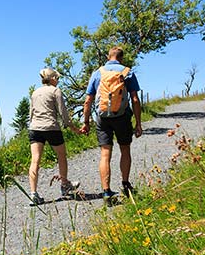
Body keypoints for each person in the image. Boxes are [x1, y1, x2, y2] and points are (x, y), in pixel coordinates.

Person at [80, 46, 142, 202]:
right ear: (121, 58)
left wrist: (86, 122)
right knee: (125, 149)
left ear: (108, 57)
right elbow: (135, 99)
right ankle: (126, 184)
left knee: (105, 154)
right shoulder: (127, 72)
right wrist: (138, 123)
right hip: (122, 117)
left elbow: (88, 101)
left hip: (102, 117)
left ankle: (106, 191)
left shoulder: (97, 73)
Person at [28, 68, 81, 205]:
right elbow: (63, 113)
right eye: (57, 78)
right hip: (51, 127)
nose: (58, 80)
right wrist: (74, 128)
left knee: (35, 160)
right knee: (61, 155)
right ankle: (64, 184)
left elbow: (31, 113)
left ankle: (33, 193)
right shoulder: (55, 91)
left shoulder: (35, 92)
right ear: (52, 79)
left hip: (35, 128)